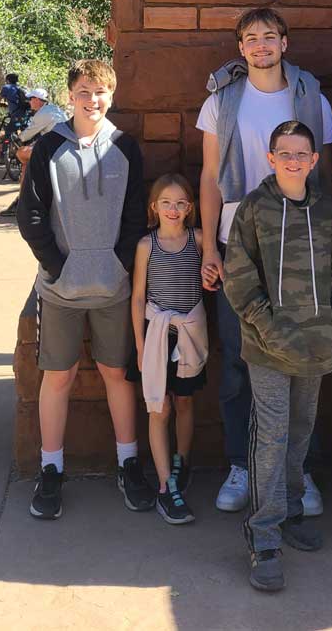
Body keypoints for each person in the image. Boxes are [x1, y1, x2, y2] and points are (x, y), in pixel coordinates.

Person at [196, 6, 332, 515]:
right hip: (239, 243)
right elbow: (210, 176)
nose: (260, 45)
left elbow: (326, 176)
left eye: (269, 36)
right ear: (240, 47)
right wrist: (210, 247)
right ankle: (241, 464)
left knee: (304, 360)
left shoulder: (310, 97)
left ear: (285, 42)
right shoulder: (221, 102)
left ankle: (298, 475)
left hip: (299, 246)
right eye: (251, 38)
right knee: (237, 359)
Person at [18, 58, 154, 520]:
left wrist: (118, 264)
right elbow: (31, 215)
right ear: (69, 95)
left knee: (117, 374)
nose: (91, 99)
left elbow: (137, 213)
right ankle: (51, 468)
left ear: (111, 95)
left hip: (113, 289)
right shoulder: (48, 148)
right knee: (58, 377)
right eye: (82, 91)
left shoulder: (126, 148)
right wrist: (57, 267)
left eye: (99, 91)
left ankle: (128, 462)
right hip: (60, 291)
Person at [224, 121, 332, 593]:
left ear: (314, 160)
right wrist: (267, 324)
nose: (294, 160)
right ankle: (263, 536)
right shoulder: (255, 208)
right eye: (285, 153)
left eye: (303, 153)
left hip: (316, 344)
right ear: (272, 158)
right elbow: (238, 275)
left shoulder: (326, 211)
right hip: (268, 347)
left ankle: (292, 509)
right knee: (272, 435)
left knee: (301, 431)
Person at [129, 172, 207, 525]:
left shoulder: (199, 240)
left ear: (190, 208)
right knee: (159, 409)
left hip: (190, 334)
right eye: (166, 203)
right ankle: (165, 487)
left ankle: (182, 461)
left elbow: (213, 274)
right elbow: (138, 296)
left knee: (186, 401)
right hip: (158, 336)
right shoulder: (147, 246)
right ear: (154, 207)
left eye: (180, 203)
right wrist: (141, 343)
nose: (173, 210)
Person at [0, 87, 67, 217]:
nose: (29, 102)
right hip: (61, 146)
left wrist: (18, 138)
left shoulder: (42, 114)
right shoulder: (54, 109)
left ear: (36, 100)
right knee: (28, 160)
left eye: (31, 99)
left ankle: (22, 200)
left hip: (55, 149)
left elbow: (26, 135)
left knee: (22, 154)